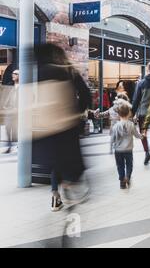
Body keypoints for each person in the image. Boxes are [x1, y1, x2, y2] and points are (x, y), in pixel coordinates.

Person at [32, 44, 91, 212]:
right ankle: (69, 186)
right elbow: (86, 94)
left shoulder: (40, 71)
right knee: (69, 159)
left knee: (55, 162)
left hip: (47, 125)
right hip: (67, 125)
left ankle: (55, 196)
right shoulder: (69, 70)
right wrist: (76, 111)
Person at [132, 63, 150, 166]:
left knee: (143, 133)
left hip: (143, 113)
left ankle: (146, 152)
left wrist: (132, 113)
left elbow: (136, 100)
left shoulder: (141, 83)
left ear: (147, 69)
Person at [111, 100, 143, 189]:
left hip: (118, 150)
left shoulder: (116, 126)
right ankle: (128, 177)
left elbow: (113, 138)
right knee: (129, 164)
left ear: (118, 114)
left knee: (120, 165)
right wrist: (142, 136)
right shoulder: (131, 124)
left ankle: (122, 181)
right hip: (128, 149)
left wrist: (111, 148)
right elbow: (137, 135)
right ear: (129, 113)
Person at [3, 69, 19, 154]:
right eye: (13, 73)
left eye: (15, 74)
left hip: (18, 113)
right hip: (9, 112)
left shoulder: (23, 87)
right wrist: (5, 106)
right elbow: (7, 97)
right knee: (8, 129)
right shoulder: (10, 85)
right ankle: (9, 147)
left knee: (16, 130)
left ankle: (18, 146)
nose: (13, 75)